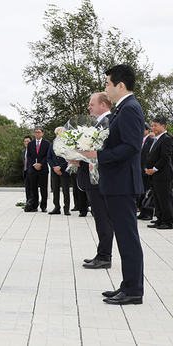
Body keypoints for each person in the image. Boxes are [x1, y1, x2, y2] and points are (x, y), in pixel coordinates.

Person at [80, 65, 144, 305]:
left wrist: (98, 154)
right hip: (116, 183)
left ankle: (133, 291)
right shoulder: (123, 108)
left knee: (128, 239)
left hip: (122, 184)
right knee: (125, 238)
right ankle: (128, 285)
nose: (106, 88)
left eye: (108, 83)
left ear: (120, 85)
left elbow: (131, 146)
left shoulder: (129, 108)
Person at [71, 92, 115, 269]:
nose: (89, 107)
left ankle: (105, 256)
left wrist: (90, 161)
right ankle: (102, 253)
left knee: (103, 218)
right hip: (92, 178)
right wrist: (79, 160)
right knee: (99, 217)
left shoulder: (108, 122)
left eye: (92, 104)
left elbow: (103, 151)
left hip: (99, 179)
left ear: (103, 105)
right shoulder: (100, 122)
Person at [145, 118, 173, 229]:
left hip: (162, 174)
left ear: (163, 126)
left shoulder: (166, 139)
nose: (153, 128)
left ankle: (167, 221)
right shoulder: (157, 139)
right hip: (154, 175)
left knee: (164, 199)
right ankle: (160, 219)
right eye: (152, 125)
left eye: (156, 125)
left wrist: (154, 169)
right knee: (157, 198)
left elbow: (165, 157)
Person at [25, 126, 50, 212]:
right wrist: (34, 164)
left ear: (42, 133)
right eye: (35, 132)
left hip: (43, 169)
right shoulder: (31, 144)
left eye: (39, 132)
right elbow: (28, 156)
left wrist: (41, 164)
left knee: (43, 188)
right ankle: (34, 205)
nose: (37, 134)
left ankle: (43, 206)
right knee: (33, 188)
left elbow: (48, 155)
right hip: (33, 169)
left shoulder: (47, 143)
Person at [47, 127, 71, 215]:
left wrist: (60, 167)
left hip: (64, 171)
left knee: (65, 190)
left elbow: (68, 157)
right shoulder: (51, 145)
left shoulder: (68, 144)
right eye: (57, 134)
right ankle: (56, 207)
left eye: (60, 133)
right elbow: (49, 158)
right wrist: (54, 167)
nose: (58, 136)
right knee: (55, 190)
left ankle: (66, 208)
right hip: (54, 171)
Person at [137, 123, 154, 220]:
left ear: (148, 130)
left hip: (146, 170)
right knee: (141, 192)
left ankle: (148, 212)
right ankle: (142, 211)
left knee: (147, 192)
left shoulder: (151, 141)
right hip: (138, 170)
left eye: (142, 129)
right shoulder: (138, 141)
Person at [22, 135, 32, 203]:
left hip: (32, 172)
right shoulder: (24, 151)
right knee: (27, 189)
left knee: (32, 189)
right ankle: (28, 203)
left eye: (28, 141)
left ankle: (33, 203)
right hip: (25, 172)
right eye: (25, 141)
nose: (26, 143)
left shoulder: (33, 151)